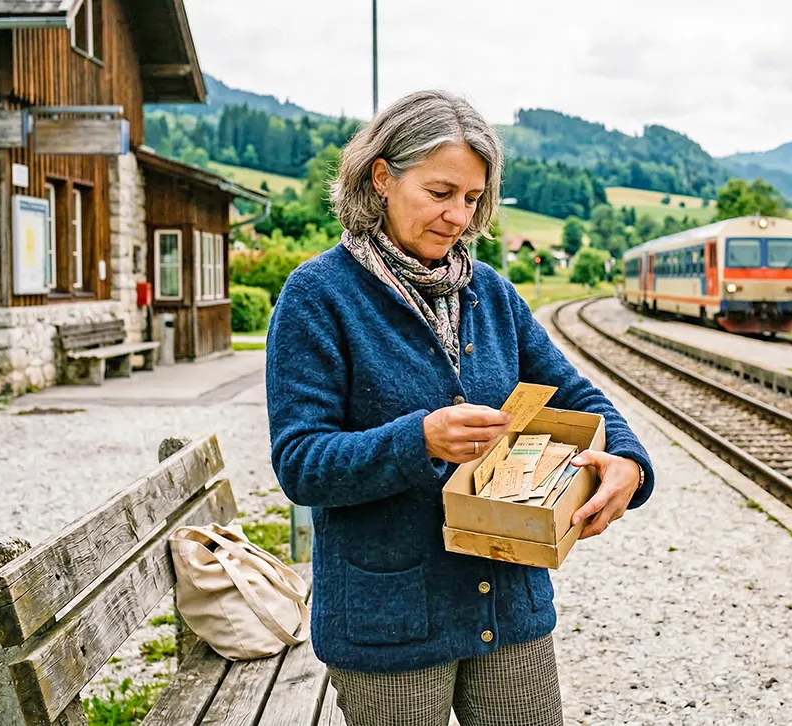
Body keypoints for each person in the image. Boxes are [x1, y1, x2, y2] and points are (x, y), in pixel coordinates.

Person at [266, 89, 655, 726]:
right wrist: (418, 441)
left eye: (473, 199)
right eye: (441, 192)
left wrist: (628, 460)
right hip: (390, 621)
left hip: (508, 604)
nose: (458, 217)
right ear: (382, 176)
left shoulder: (491, 295)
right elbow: (301, 463)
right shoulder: (319, 296)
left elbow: (575, 395)